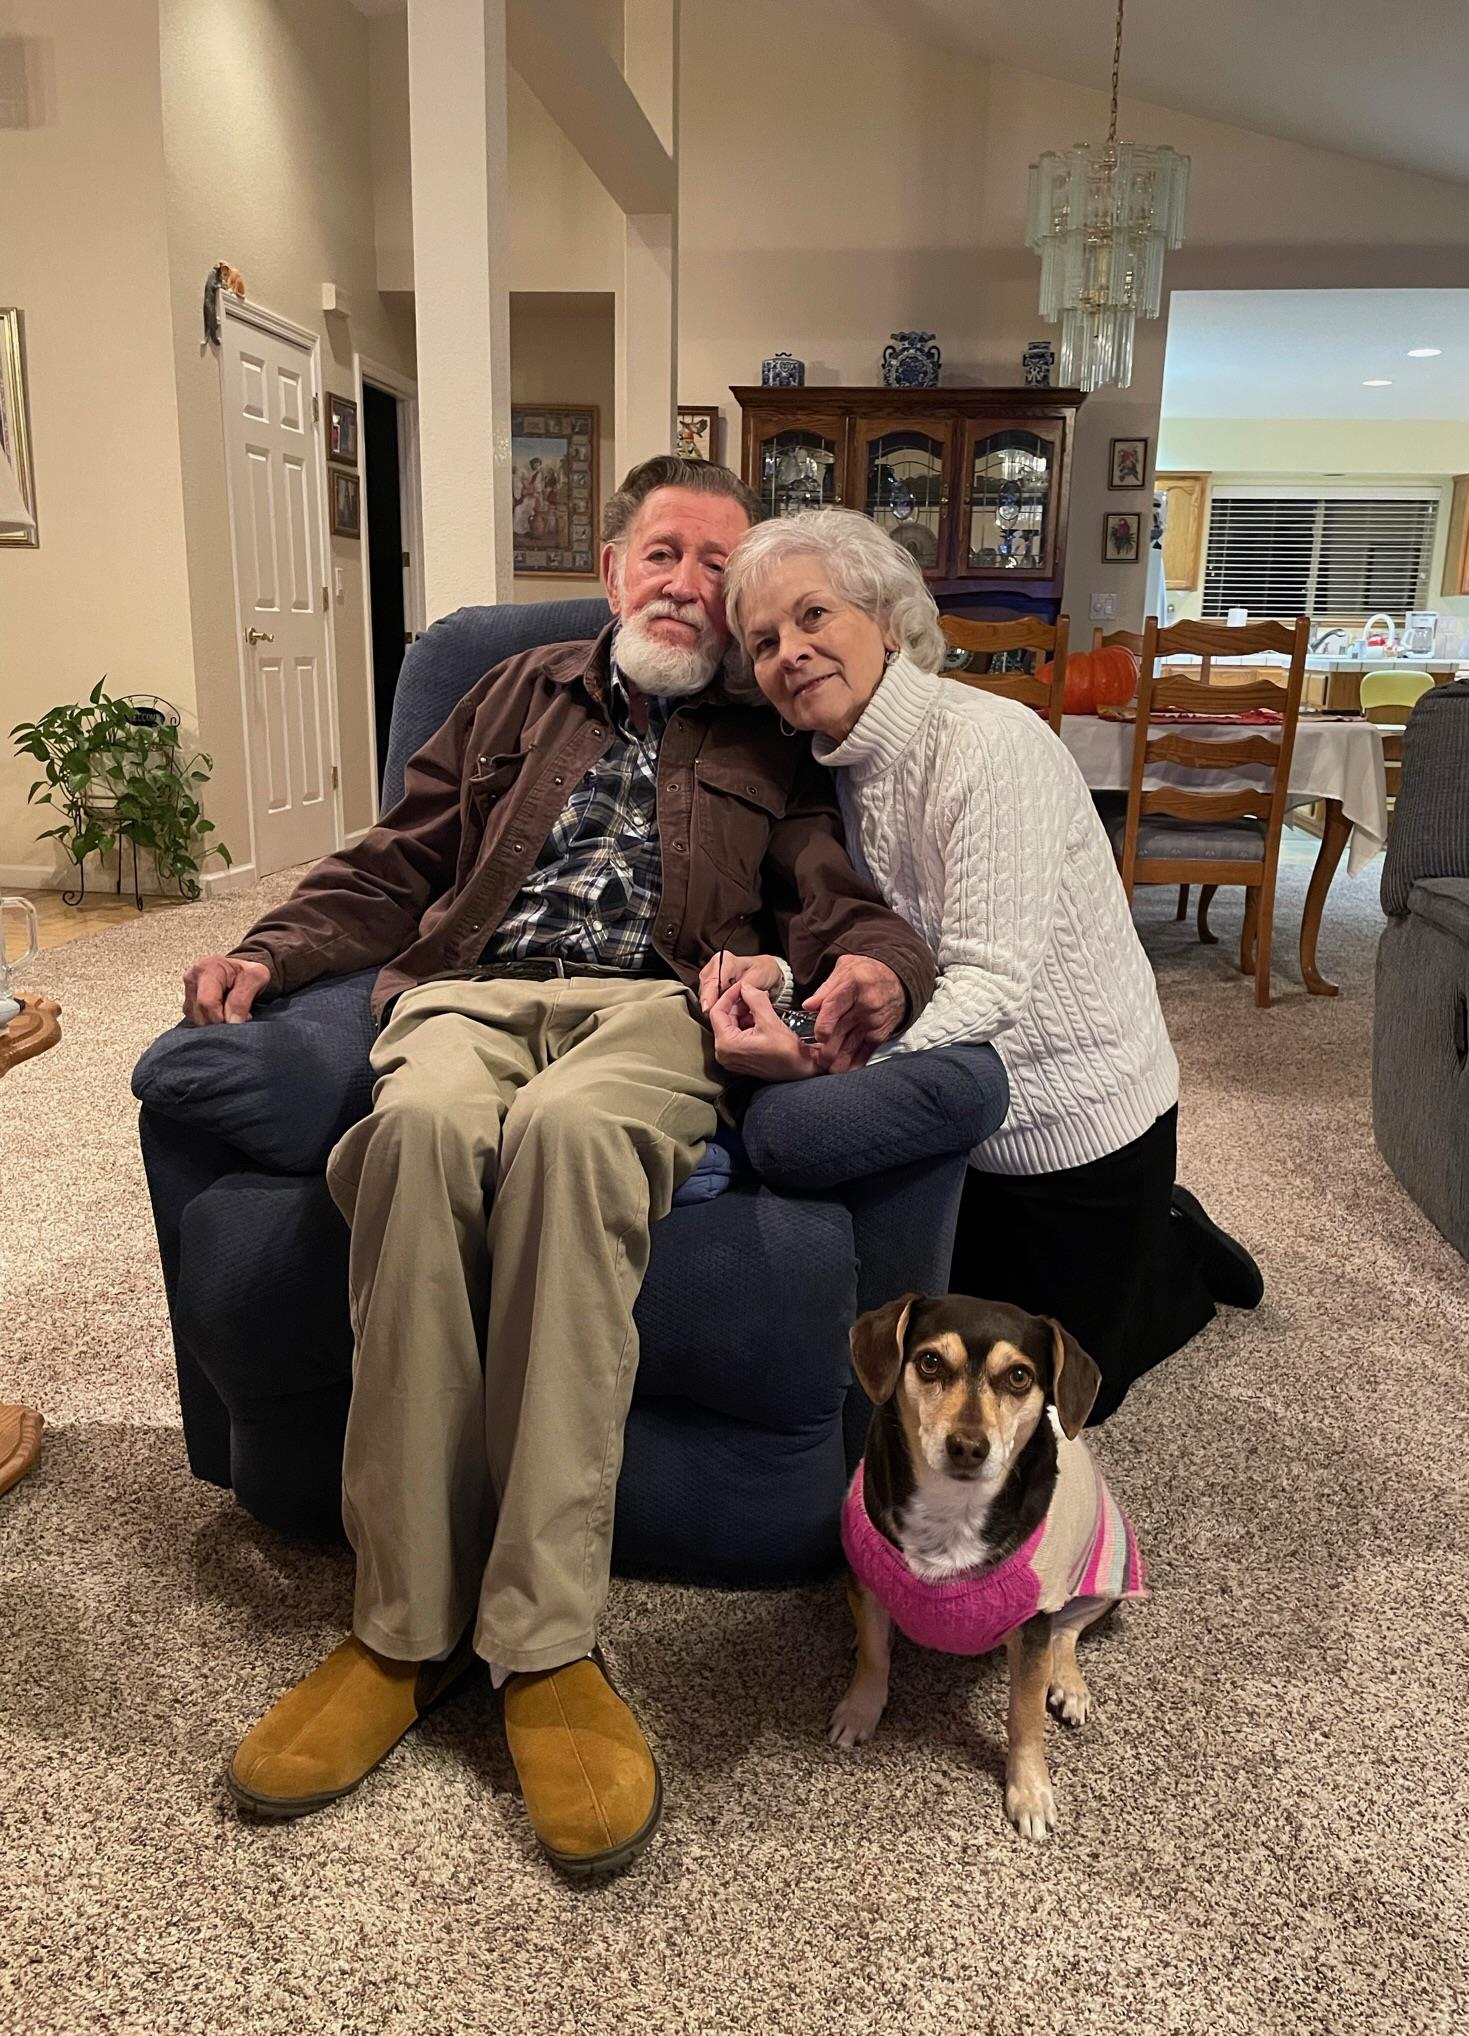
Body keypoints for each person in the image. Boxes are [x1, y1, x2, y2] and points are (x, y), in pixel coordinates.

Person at [179, 458, 935, 1876]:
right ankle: (402, 1633)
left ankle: (541, 1644)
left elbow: (843, 900)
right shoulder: (513, 690)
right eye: (665, 552)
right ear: (612, 569)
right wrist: (270, 948)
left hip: (651, 1012)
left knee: (573, 1140)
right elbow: (396, 861)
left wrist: (885, 971)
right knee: (413, 1136)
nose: (689, 584)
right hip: (469, 994)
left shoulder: (765, 735)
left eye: (719, 566)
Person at [712, 507, 1262, 1422]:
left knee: (1066, 1398)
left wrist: (824, 1058)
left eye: (814, 615)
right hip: (962, 1118)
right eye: (764, 642)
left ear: (888, 622)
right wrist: (789, 984)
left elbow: (988, 984)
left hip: (1080, 1120)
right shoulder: (826, 770)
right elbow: (864, 944)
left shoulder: (989, 743)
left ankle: (1177, 1245)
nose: (791, 652)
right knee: (954, 1356)